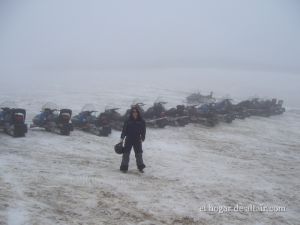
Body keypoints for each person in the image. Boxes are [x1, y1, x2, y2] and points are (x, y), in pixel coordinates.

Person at [119, 106, 146, 173]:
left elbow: (143, 130)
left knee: (139, 154)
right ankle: (124, 168)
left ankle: (140, 167)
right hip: (129, 139)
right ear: (131, 112)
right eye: (133, 112)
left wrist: (143, 137)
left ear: (138, 112)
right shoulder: (128, 120)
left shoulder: (142, 121)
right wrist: (122, 138)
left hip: (137, 139)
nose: (135, 113)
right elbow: (124, 130)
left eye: (136, 112)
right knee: (126, 154)